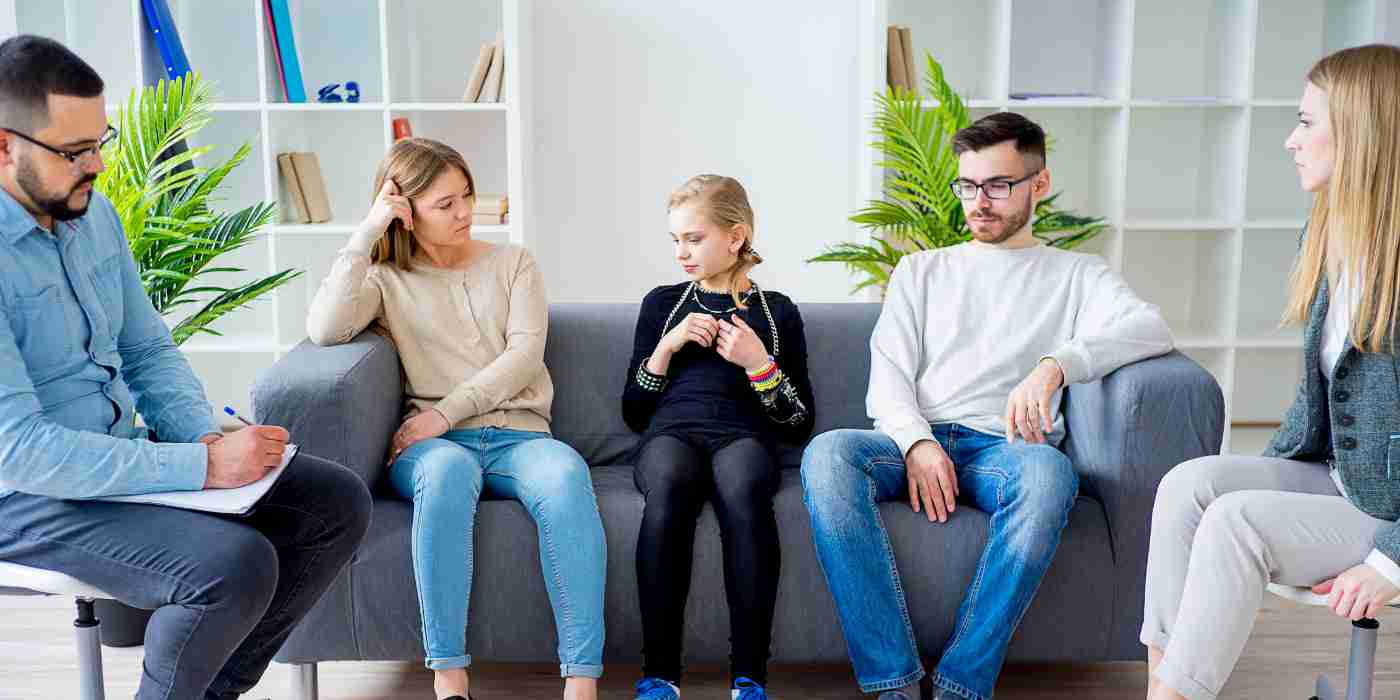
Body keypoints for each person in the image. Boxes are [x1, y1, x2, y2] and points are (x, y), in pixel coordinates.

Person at [0, 35, 372, 700]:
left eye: (102, 140)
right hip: (21, 494)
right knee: (232, 565)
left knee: (333, 502)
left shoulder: (94, 217)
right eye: (74, 152)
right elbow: (20, 450)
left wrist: (199, 436)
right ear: (4, 146)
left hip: (111, 453)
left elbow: (146, 349)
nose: (100, 166)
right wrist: (200, 468)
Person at [800, 112, 1174, 700]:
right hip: (911, 444)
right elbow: (889, 377)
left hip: (1007, 453)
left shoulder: (1076, 275)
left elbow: (1150, 327)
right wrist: (917, 442)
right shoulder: (922, 270)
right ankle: (893, 683)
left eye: (998, 185)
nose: (980, 202)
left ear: (1038, 184)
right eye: (968, 186)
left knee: (1051, 474)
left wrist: (1056, 365)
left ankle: (961, 684)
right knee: (827, 454)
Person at [306, 137, 606, 700]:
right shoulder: (385, 279)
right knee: (446, 477)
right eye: (445, 204)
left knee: (567, 478)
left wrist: (446, 413)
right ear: (405, 209)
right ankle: (449, 679)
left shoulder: (513, 263)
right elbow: (325, 328)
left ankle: (581, 681)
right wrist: (365, 235)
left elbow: (523, 357)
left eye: (466, 196)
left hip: (518, 433)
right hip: (434, 448)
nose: (465, 212)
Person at [1143, 44, 1400, 700]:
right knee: (1189, 486)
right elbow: (1318, 406)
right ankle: (1160, 693)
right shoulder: (1334, 235)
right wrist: (1258, 477)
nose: (1291, 140)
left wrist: (1389, 562)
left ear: (1364, 133)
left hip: (1389, 514)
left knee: (1238, 522)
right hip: (1344, 478)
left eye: (1308, 123)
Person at [622, 174, 815, 700]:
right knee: (669, 486)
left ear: (736, 237)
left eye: (694, 238)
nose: (682, 252)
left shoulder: (777, 312)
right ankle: (660, 675)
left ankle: (749, 678)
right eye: (676, 240)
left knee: (744, 489)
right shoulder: (662, 304)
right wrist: (666, 348)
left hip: (743, 436)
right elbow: (635, 413)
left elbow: (799, 423)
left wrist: (759, 364)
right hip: (671, 434)